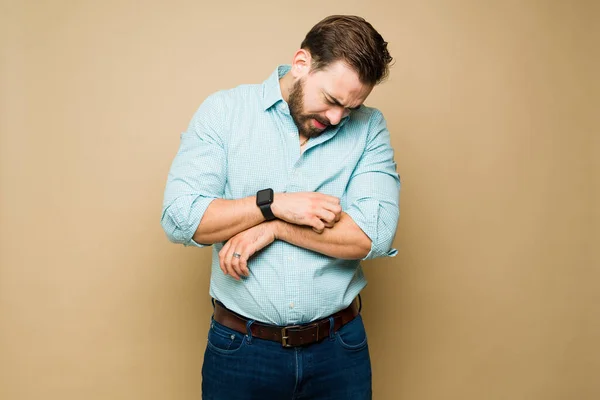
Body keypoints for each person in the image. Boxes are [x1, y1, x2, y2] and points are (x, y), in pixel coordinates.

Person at [161, 15, 400, 400]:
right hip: (242, 349)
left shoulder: (369, 127)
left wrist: (275, 225)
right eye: (333, 100)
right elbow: (183, 218)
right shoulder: (225, 112)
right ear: (302, 63)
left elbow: (373, 234)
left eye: (351, 108)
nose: (337, 118)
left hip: (339, 351)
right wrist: (273, 203)